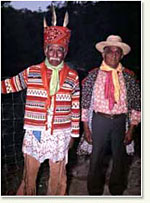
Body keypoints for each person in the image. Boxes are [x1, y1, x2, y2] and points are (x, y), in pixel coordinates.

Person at [1, 8, 80, 196]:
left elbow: (75, 107)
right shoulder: (32, 71)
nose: (55, 54)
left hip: (61, 134)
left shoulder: (72, 76)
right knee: (30, 175)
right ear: (45, 50)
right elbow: (9, 85)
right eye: (51, 50)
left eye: (59, 50)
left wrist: (73, 135)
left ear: (64, 52)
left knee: (58, 177)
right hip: (35, 132)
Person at [81, 35, 141, 195]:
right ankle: (94, 192)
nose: (113, 55)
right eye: (110, 51)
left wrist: (131, 129)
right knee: (96, 158)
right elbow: (85, 103)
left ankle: (117, 191)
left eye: (117, 52)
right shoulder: (92, 76)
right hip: (99, 120)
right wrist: (86, 127)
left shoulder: (129, 77)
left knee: (120, 159)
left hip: (121, 122)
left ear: (122, 55)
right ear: (103, 54)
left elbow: (136, 105)